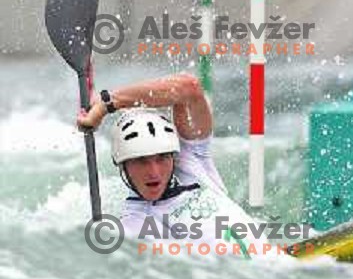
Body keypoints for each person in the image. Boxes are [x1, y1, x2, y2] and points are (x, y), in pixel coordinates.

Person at [76, 74, 271, 259]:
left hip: (279, 264)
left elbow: (188, 87)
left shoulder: (192, 161)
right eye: (141, 160)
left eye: (161, 158)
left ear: (173, 156)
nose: (154, 172)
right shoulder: (131, 230)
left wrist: (107, 103)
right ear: (122, 164)